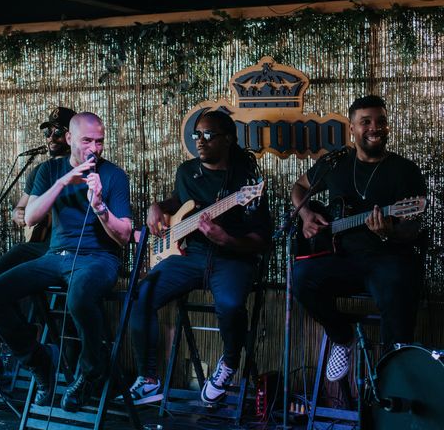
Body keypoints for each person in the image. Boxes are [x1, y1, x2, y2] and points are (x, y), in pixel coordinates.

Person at [0, 112, 132, 412]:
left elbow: (124, 237)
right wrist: (62, 182)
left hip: (98, 259)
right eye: (87, 141)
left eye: (99, 142)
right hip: (55, 256)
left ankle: (89, 372)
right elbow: (31, 217)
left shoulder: (114, 176)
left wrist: (100, 208)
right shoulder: (50, 170)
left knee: (80, 296)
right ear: (70, 139)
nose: (94, 148)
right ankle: (38, 361)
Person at [128, 110, 271, 405]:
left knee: (231, 306)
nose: (200, 141)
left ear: (228, 139)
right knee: (141, 295)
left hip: (232, 258)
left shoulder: (248, 183)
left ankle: (229, 362)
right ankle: (149, 378)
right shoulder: (187, 171)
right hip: (189, 255)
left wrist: (227, 239)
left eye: (208, 135)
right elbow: (179, 202)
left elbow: (261, 240)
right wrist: (157, 206)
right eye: (197, 135)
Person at [291, 95, 427, 382]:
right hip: (343, 259)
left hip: (388, 258)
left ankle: (393, 377)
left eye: (381, 121)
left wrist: (390, 232)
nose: (374, 128)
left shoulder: (405, 171)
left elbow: (411, 229)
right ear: (351, 129)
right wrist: (305, 217)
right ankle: (342, 336)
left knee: (397, 290)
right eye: (365, 122)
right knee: (301, 277)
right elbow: (299, 187)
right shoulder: (335, 164)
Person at [0, 106, 76, 275]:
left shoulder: (78, 169)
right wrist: (16, 213)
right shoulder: (40, 170)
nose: (51, 138)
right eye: (48, 132)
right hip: (37, 244)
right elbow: (20, 207)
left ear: (71, 136)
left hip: (64, 246)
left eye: (58, 132)